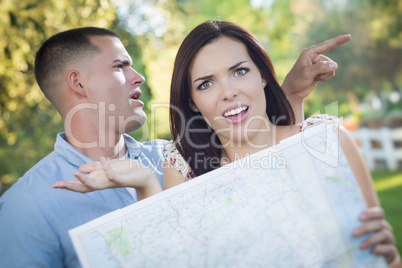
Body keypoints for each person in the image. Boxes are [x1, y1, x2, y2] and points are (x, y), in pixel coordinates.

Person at [57, 21, 400, 266]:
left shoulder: (329, 141)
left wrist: (392, 257)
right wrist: (147, 183)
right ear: (191, 102)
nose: (228, 92)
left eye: (239, 71)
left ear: (262, 74)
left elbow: (378, 254)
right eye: (206, 84)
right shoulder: (183, 166)